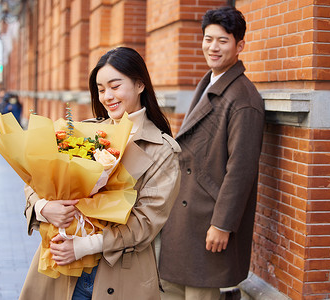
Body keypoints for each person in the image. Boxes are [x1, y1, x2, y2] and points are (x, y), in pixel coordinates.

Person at [19, 47, 181, 300]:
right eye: (101, 89)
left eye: (115, 86)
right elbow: (36, 180)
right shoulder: (85, 133)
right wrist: (43, 207)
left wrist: (84, 246)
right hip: (62, 272)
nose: (107, 96)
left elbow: (145, 223)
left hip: (120, 277)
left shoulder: (163, 151)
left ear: (140, 85)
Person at [159, 6, 265, 299]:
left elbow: (241, 169)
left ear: (239, 45)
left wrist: (222, 224)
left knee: (199, 292)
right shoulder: (209, 82)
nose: (213, 47)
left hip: (208, 222)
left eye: (223, 40)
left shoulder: (244, 99)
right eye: (208, 39)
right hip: (185, 217)